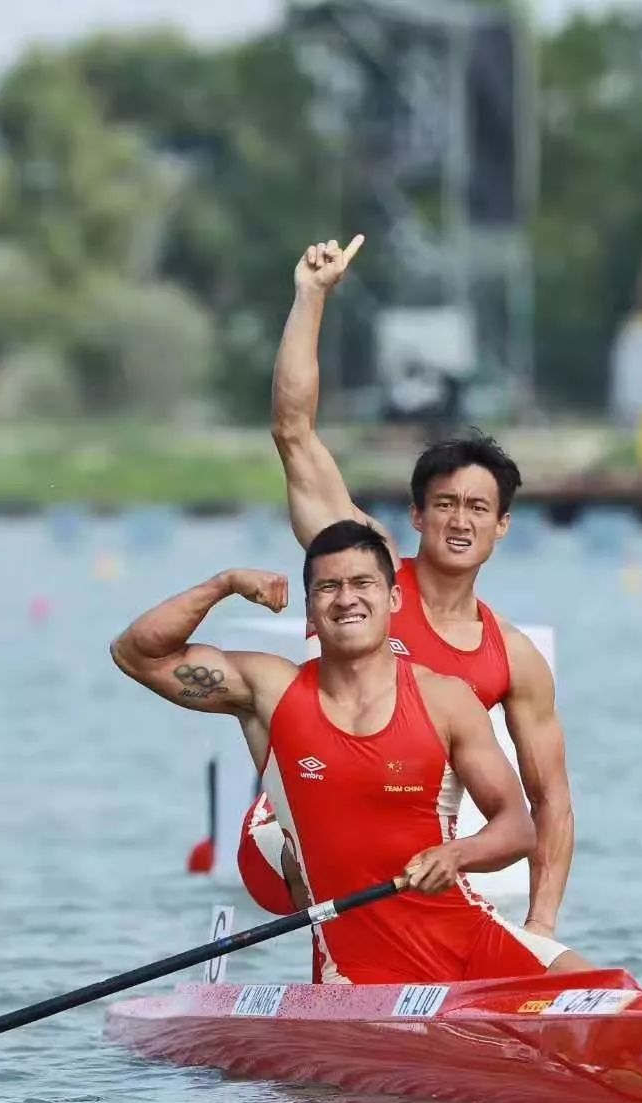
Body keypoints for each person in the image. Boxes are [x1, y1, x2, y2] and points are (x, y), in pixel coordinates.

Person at [239, 235, 574, 946]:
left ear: (502, 527)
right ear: (417, 515)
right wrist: (311, 296)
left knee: (532, 950)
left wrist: (541, 926)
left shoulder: (512, 659)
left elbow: (550, 803)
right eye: (444, 505)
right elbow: (294, 434)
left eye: (478, 509)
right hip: (295, 827)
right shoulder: (363, 572)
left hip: (407, 852)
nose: (460, 521)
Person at [112, 521, 591, 984]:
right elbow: (137, 654)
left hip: (466, 936)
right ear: (309, 609)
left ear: (393, 599)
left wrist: (457, 854)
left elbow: (517, 828)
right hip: (357, 971)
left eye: (363, 583)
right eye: (328, 588)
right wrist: (224, 583)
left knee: (611, 991)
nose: (346, 599)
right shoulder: (270, 690)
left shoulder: (446, 699)